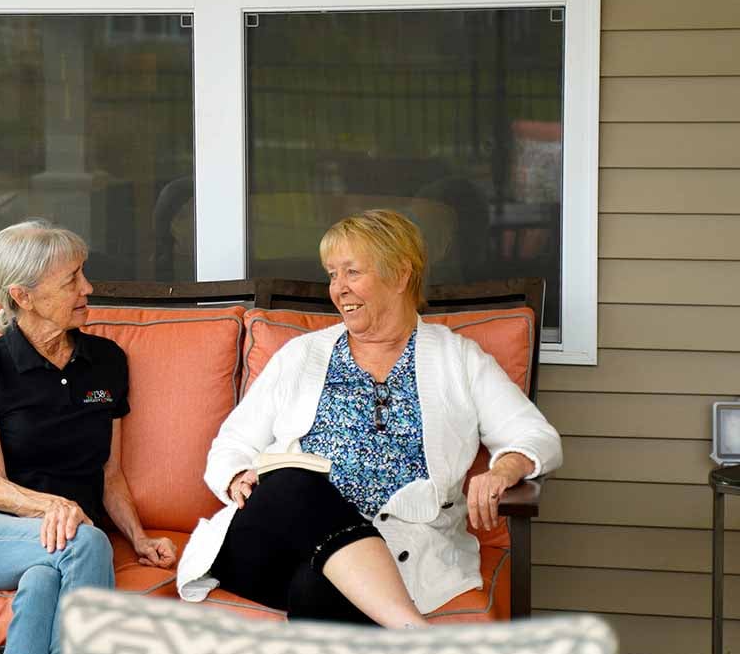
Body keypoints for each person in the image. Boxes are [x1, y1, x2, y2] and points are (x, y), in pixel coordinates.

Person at [176, 209, 560, 628]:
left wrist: (504, 470)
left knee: (318, 589)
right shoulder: (302, 355)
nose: (338, 289)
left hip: (395, 550)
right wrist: (235, 477)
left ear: (400, 275)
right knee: (291, 480)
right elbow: (232, 443)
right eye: (332, 274)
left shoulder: (457, 359)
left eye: (351, 273)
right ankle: (414, 633)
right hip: (271, 541)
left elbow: (534, 434)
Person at [0, 219, 176, 654]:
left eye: (82, 273)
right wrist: (57, 507)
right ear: (22, 296)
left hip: (60, 541)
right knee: (86, 543)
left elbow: (109, 471)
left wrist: (139, 537)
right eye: (71, 279)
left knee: (43, 582)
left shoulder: (105, 361)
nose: (87, 287)